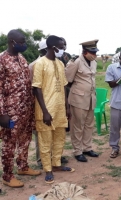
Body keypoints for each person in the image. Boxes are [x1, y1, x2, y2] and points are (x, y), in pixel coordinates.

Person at [0, 29, 41, 188]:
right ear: (12, 42)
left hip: (26, 107)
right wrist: (2, 113)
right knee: (9, 143)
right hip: (11, 111)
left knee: (25, 138)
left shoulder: (21, 58)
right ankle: (7, 175)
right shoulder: (2, 60)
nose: (24, 45)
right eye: (22, 42)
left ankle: (23, 167)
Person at [32, 35, 74, 184]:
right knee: (45, 141)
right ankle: (48, 169)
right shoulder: (40, 64)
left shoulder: (60, 64)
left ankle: (56, 164)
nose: (63, 50)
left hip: (60, 109)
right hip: (46, 110)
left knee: (60, 138)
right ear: (53, 47)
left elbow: (63, 86)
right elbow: (36, 88)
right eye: (62, 47)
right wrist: (44, 111)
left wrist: (67, 107)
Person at [65, 40, 99, 162]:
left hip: (90, 99)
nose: (94, 55)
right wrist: (79, 89)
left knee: (89, 125)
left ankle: (87, 148)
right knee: (77, 126)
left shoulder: (94, 62)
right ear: (85, 52)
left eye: (95, 52)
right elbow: (68, 81)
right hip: (78, 99)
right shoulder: (76, 62)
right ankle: (77, 151)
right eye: (92, 52)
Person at [29, 40, 47, 168]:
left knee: (52, 132)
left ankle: (52, 157)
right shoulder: (34, 65)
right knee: (41, 133)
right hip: (39, 105)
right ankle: (41, 160)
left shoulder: (55, 63)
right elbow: (33, 88)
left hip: (53, 104)